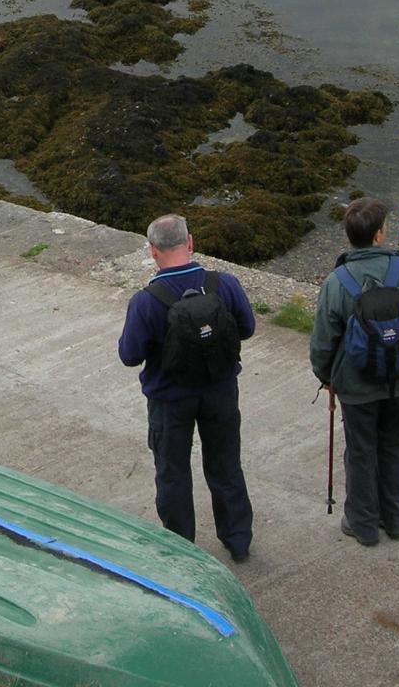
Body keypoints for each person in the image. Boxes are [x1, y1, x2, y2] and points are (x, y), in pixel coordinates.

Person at [118, 214, 256, 562]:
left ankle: (182, 549)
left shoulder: (146, 300)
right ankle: (238, 539)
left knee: (173, 472)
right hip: (220, 389)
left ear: (152, 251)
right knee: (226, 464)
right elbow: (247, 328)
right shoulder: (224, 284)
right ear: (190, 242)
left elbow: (129, 355)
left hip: (169, 398)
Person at [310, 198, 399, 546]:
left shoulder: (337, 282)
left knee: (360, 450)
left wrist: (326, 377)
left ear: (350, 236)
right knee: (396, 447)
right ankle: (395, 520)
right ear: (380, 235)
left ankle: (363, 524)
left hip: (356, 385)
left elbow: (324, 341)